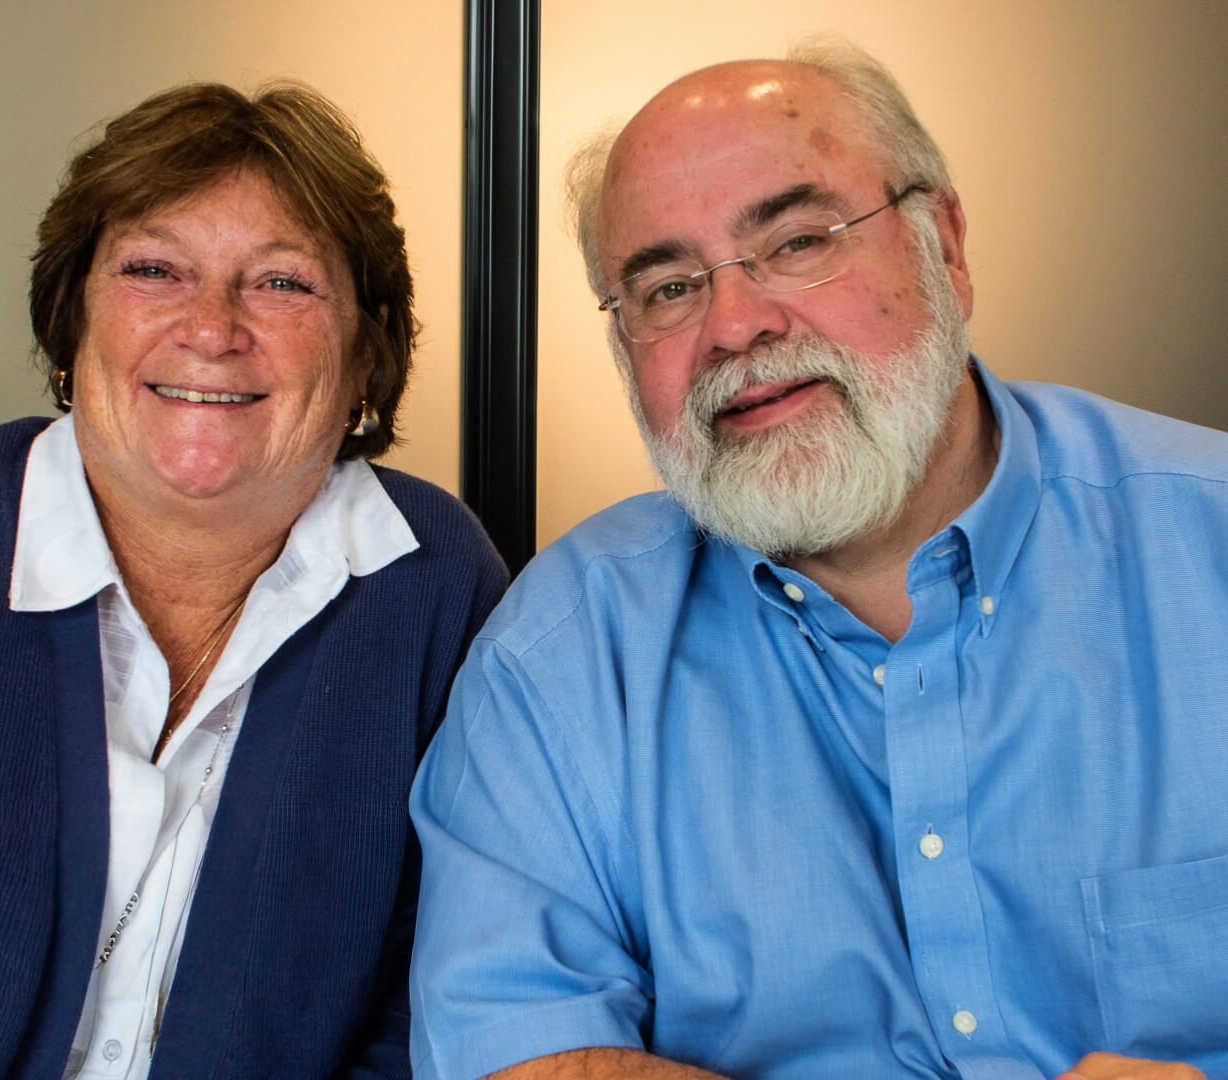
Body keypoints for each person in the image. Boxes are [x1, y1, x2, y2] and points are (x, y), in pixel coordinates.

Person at [409, 41, 1227, 1080]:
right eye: (666, 288)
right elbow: (513, 1056)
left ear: (947, 247)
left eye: (799, 240)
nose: (736, 326)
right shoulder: (563, 653)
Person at [0, 81, 507, 1078]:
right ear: (71, 318)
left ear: (364, 351)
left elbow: (436, 995)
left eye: (282, 283)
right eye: (154, 269)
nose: (210, 328)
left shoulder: (437, 583)